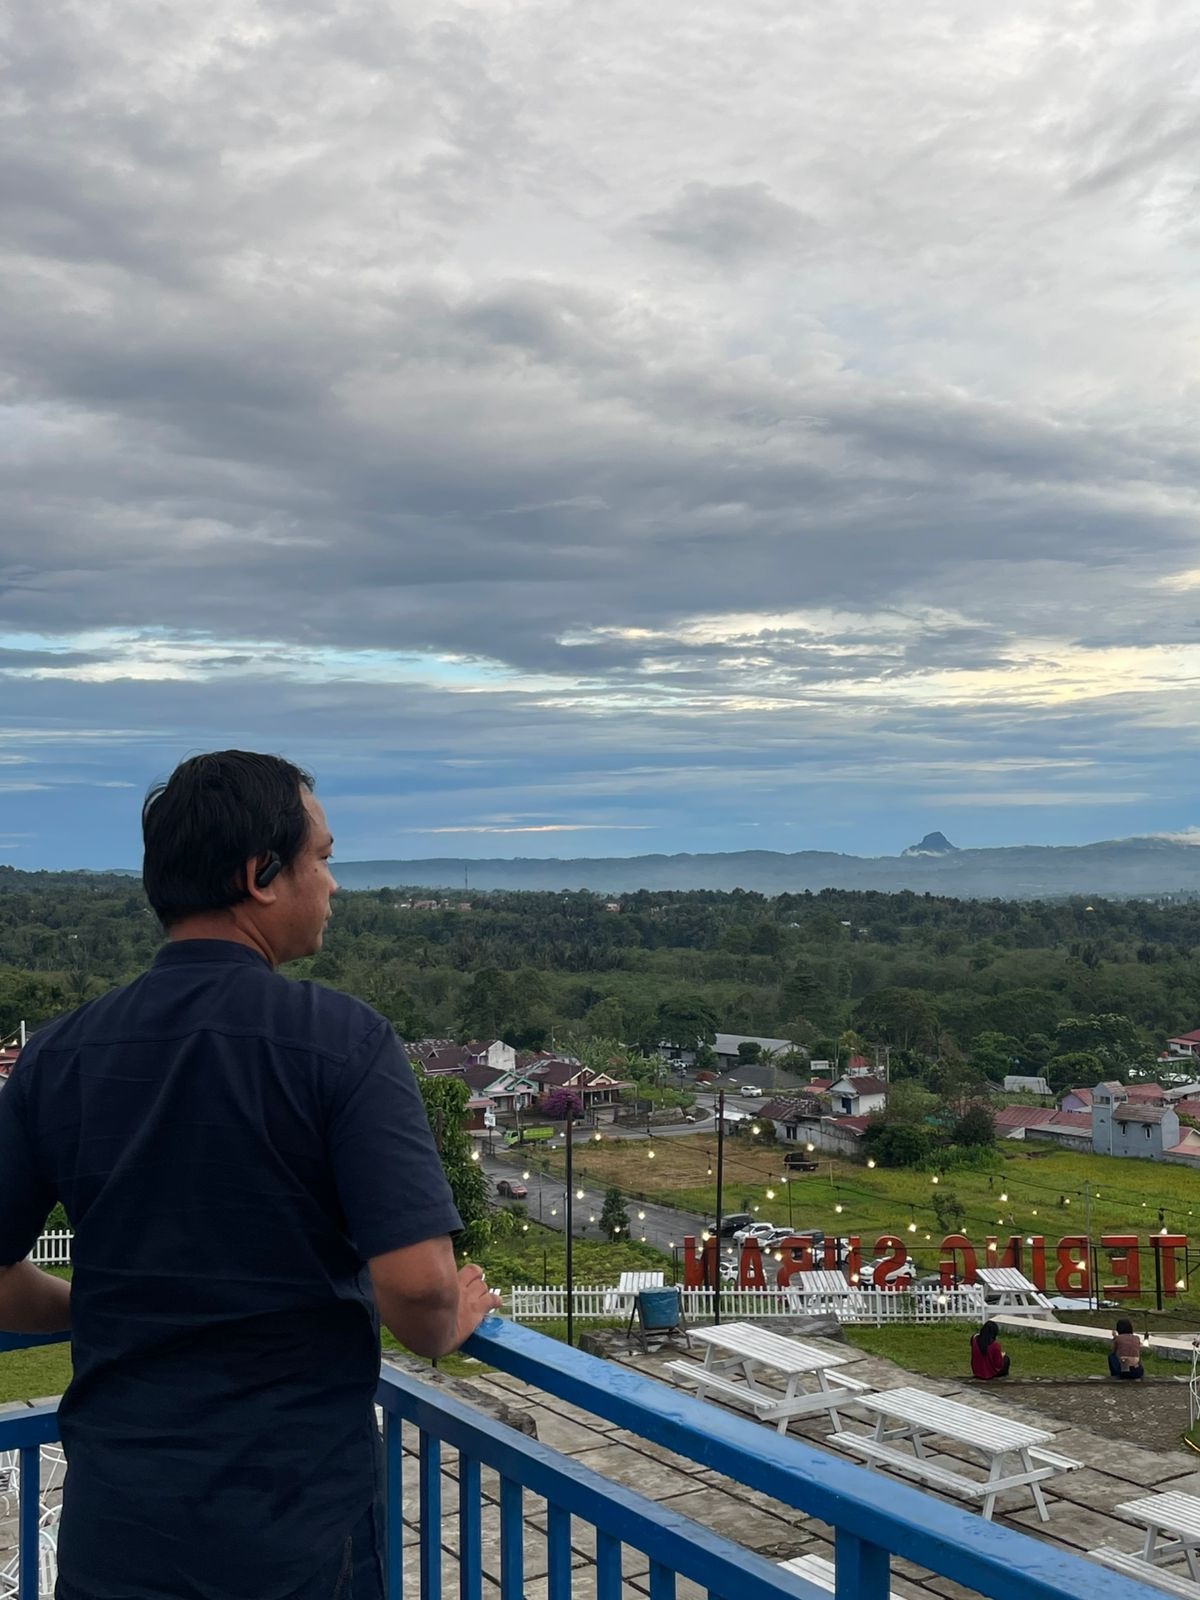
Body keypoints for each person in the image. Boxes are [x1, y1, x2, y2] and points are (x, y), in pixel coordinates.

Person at [0, 751, 501, 1600]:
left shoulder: (60, 1052)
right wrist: (445, 1325)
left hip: (115, 1524)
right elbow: (417, 1290)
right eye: (325, 860)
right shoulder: (342, 1042)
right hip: (289, 1529)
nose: (334, 886)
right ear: (260, 875)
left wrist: (104, 1305)